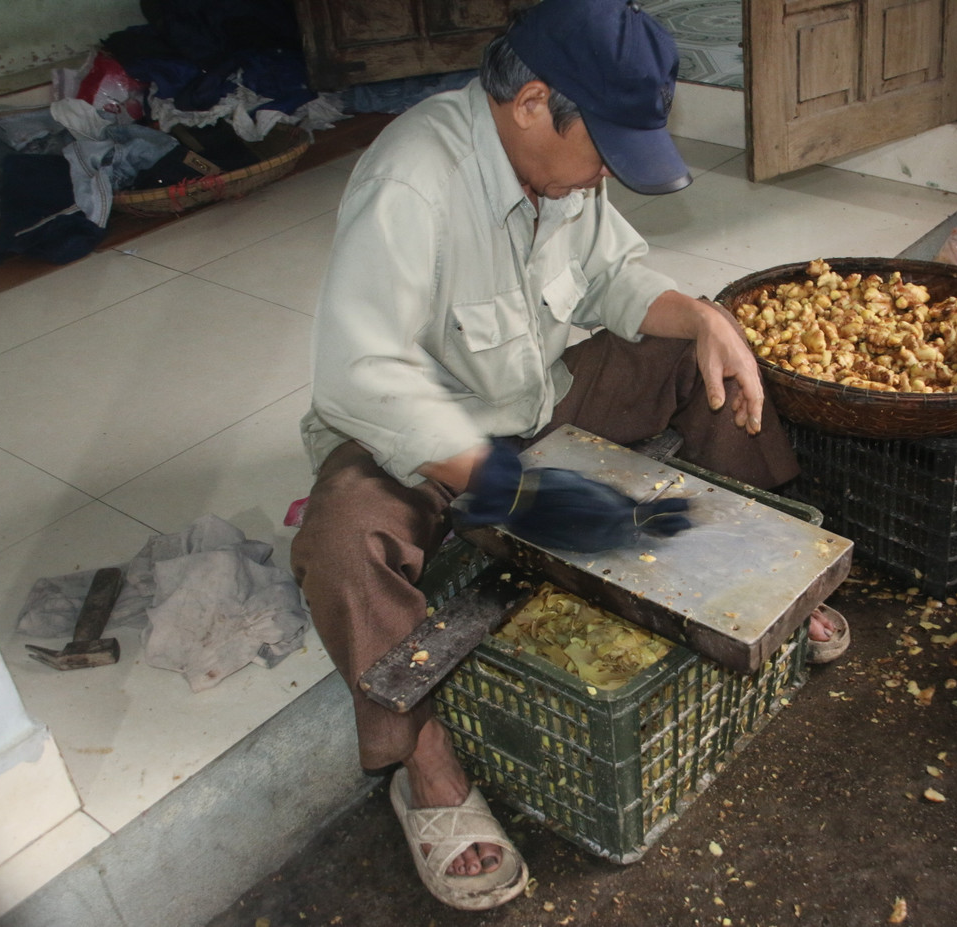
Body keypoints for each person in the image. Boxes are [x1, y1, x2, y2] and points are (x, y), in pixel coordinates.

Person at [290, 0, 849, 911]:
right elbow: (362, 374)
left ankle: (765, 586)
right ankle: (425, 771)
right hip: (430, 438)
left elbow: (610, 274)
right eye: (601, 149)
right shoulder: (414, 178)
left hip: (540, 395)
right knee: (342, 538)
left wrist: (705, 317)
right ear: (531, 103)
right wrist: (504, 485)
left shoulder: (562, 174)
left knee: (697, 358)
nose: (602, 176)